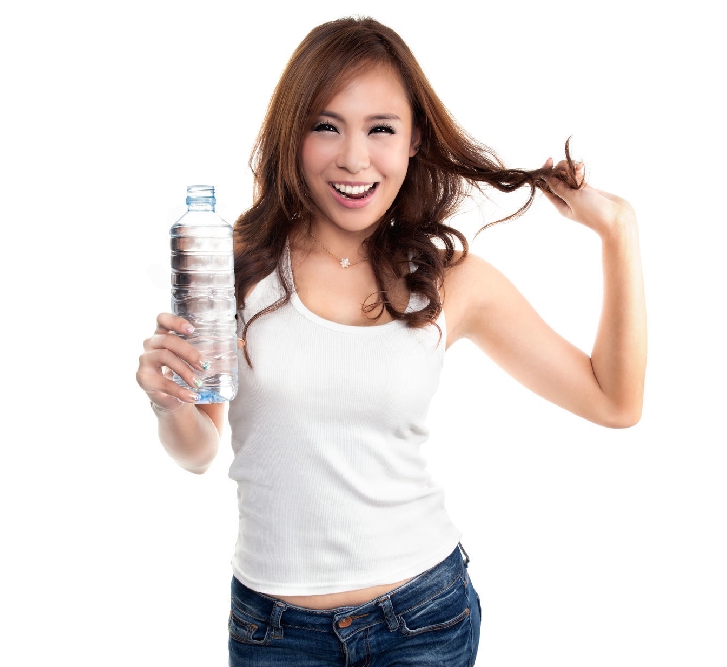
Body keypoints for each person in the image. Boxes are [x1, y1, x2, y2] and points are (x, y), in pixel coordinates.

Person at [136, 16, 646, 666]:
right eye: (326, 126)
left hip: (423, 620)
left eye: (381, 128)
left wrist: (618, 230)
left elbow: (613, 400)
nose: (354, 158)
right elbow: (198, 452)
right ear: (292, 135)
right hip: (275, 633)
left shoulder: (452, 281)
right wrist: (170, 404)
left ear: (413, 140)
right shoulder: (233, 264)